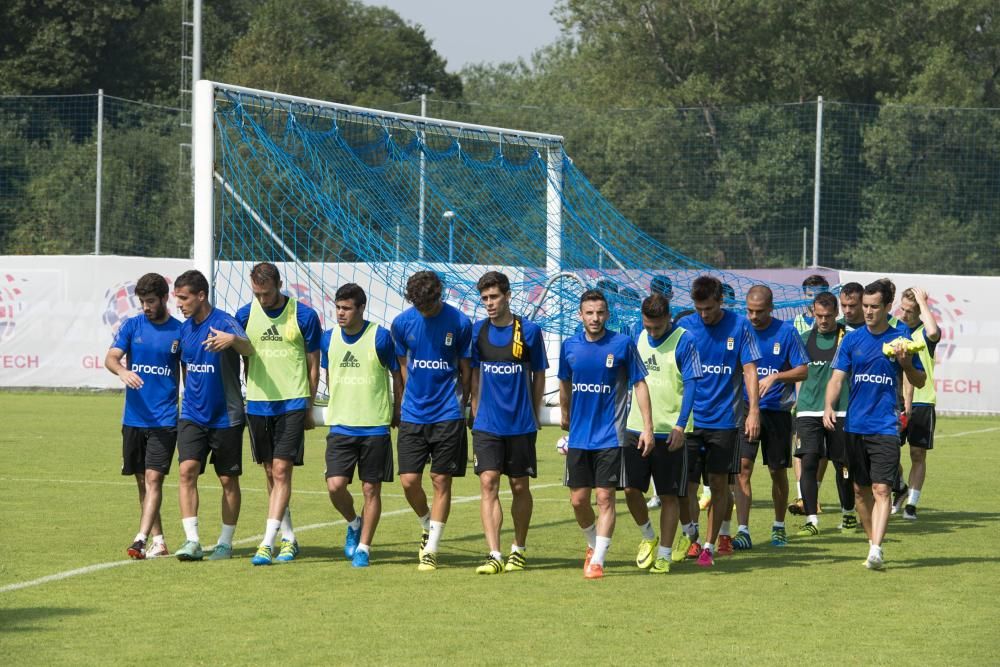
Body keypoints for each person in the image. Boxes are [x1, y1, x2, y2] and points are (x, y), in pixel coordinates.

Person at [824, 281, 925, 570]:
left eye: (874, 307)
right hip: (855, 426)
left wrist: (905, 364)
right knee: (859, 491)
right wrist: (829, 406)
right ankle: (873, 543)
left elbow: (919, 380)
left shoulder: (901, 337)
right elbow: (837, 379)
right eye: (865, 306)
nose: (867, 311)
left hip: (885, 425)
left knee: (882, 489)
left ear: (887, 307)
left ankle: (876, 550)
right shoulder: (852, 341)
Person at [559, 289, 654, 579]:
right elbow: (565, 381)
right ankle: (592, 544)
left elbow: (639, 384)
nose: (595, 318)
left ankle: (598, 561)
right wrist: (565, 413)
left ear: (608, 314)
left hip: (610, 438)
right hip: (578, 438)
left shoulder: (622, 344)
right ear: (580, 315)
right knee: (578, 501)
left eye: (600, 312)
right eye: (589, 313)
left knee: (605, 499)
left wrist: (647, 427)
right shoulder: (569, 346)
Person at [235, 263, 322, 566]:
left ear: (279, 285)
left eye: (267, 293)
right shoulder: (244, 315)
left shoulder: (304, 315)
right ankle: (289, 537)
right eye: (257, 294)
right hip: (258, 403)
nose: (262, 300)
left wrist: (310, 405)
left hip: (293, 404)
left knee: (283, 471)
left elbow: (313, 365)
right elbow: (243, 358)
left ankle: (266, 543)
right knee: (270, 472)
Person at [675, 276, 761, 567]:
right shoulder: (685, 327)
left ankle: (710, 545)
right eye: (699, 308)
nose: (704, 314)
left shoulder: (739, 325)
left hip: (725, 420)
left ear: (721, 301)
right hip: (689, 422)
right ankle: (692, 536)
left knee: (719, 484)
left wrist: (753, 411)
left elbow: (750, 369)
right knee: (684, 486)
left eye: (709, 308)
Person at [391, 271, 472, 571]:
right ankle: (427, 521)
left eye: (427, 304)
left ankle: (432, 548)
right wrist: (403, 403)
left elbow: (466, 370)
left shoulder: (460, 323)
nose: (422, 310)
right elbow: (402, 368)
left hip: (447, 415)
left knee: (441, 480)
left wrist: (463, 404)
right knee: (409, 481)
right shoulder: (402, 323)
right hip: (413, 414)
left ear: (439, 295)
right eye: (418, 305)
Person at [172, 269, 255, 561]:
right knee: (186, 471)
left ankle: (225, 542)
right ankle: (192, 540)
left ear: (201, 295)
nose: (179, 304)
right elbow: (185, 367)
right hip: (193, 414)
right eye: (177, 299)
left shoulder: (224, 322)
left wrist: (232, 340)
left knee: (227, 480)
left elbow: (249, 349)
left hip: (227, 417)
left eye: (183, 298)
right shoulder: (184, 329)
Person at [469, 271, 548, 574]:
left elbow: (539, 373)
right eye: (485, 298)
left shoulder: (528, 331)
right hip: (487, 423)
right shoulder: (478, 332)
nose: (489, 303)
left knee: (518, 486)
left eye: (494, 297)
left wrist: (535, 410)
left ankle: (519, 548)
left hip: (520, 423)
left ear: (507, 295)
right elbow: (474, 375)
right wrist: (475, 411)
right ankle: (494, 554)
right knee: (488, 482)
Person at [322, 283, 402, 567]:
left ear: (361, 308)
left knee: (371, 490)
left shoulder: (380, 337)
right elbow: (331, 373)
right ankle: (353, 522)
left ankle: (364, 548)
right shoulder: (328, 338)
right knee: (335, 486)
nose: (340, 313)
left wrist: (397, 409)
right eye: (338, 307)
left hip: (375, 427)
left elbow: (397, 375)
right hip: (341, 426)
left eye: (346, 308)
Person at [622, 293, 701, 574]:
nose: (652, 332)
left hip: (670, 432)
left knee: (669, 495)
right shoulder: (635, 335)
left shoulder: (685, 340)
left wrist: (681, 425)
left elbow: (691, 385)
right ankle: (648, 537)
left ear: (669, 317)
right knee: (631, 489)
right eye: (648, 326)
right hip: (635, 428)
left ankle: (665, 554)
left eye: (657, 327)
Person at [105, 273, 182, 559]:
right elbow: (111, 358)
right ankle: (159, 541)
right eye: (142, 302)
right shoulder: (132, 325)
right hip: (134, 418)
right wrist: (123, 371)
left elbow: (187, 372)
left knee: (154, 479)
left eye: (151, 301)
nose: (146, 306)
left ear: (164, 298)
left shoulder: (179, 332)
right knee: (142, 481)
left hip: (164, 420)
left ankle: (139, 539)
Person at [733, 286, 808, 549]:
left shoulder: (786, 332)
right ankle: (743, 530)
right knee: (741, 468)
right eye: (749, 310)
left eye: (759, 311)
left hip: (777, 411)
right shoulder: (739, 329)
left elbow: (802, 370)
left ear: (771, 307)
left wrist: (777, 376)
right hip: (744, 409)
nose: (753, 316)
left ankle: (778, 526)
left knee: (777, 471)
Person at [790, 280, 864, 516]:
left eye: (828, 316)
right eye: (819, 315)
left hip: (841, 410)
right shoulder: (801, 338)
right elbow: (799, 372)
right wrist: (798, 401)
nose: (823, 320)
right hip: (809, 411)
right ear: (813, 312)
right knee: (809, 462)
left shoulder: (851, 337)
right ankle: (811, 518)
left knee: (843, 465)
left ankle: (848, 513)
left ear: (836, 314)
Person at [897, 287, 940, 520]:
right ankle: (900, 486)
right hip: (894, 401)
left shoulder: (926, 332)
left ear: (919, 311)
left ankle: (911, 504)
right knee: (887, 452)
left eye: (910, 311)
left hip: (923, 401)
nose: (904, 315)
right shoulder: (894, 329)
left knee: (917, 453)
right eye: (902, 309)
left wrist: (924, 303)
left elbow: (933, 332)